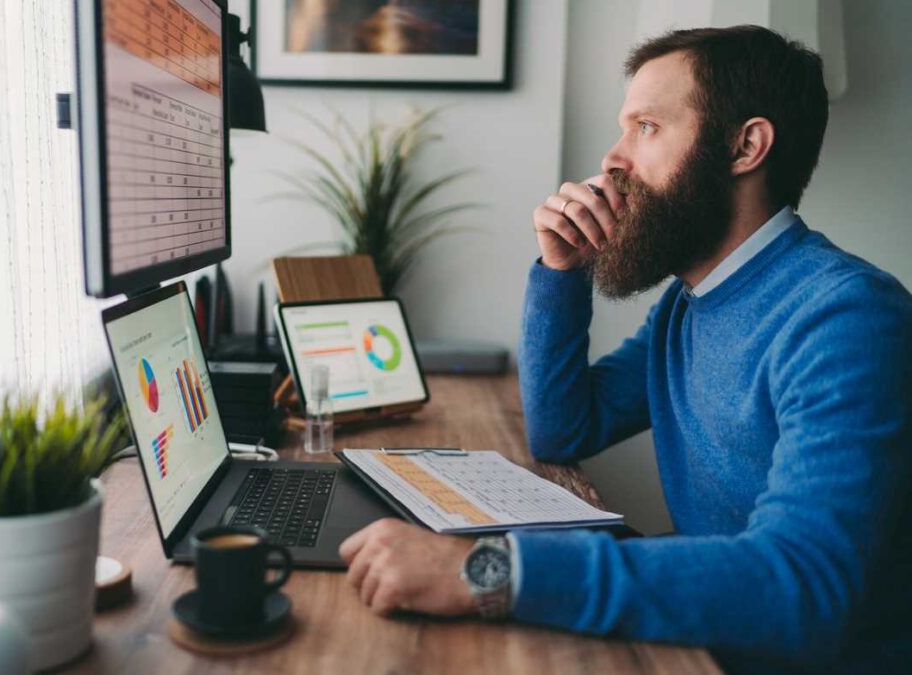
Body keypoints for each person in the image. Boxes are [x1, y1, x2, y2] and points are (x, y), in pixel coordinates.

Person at [338, 25, 912, 675]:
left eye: (646, 127)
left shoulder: (845, 317)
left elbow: (802, 585)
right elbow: (563, 427)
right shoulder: (689, 305)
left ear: (745, 145)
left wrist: (491, 569)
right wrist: (562, 271)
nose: (613, 159)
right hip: (710, 636)